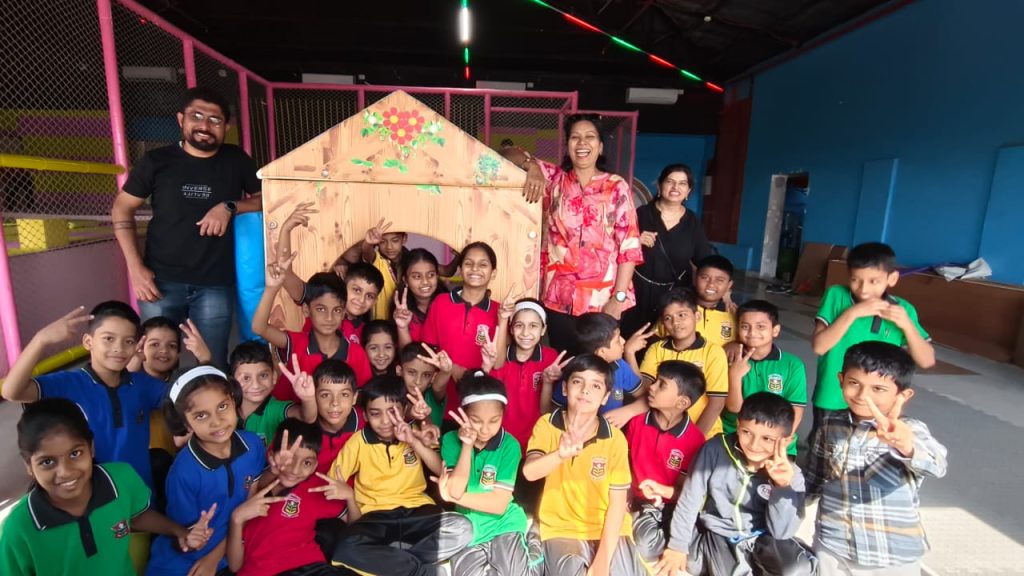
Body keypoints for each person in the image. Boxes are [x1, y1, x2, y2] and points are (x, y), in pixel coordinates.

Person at [111, 86, 262, 369]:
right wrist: (135, 267)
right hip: (159, 281)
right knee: (154, 363)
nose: (205, 126)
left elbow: (266, 198)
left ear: (226, 127)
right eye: (197, 116)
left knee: (212, 362)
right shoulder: (156, 161)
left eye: (215, 120)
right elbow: (122, 208)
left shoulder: (235, 160)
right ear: (181, 119)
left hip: (215, 282)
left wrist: (230, 206)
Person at [0, 398, 212, 576]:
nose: (65, 472)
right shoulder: (18, 530)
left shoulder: (121, 480)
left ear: (91, 448)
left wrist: (179, 531)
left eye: (75, 453)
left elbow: (135, 515)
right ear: (28, 466)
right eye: (47, 462)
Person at [807, 342, 947, 576]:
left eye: (878, 389)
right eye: (854, 383)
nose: (863, 396)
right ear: (841, 380)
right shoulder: (830, 425)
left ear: (903, 395)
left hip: (891, 555)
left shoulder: (910, 430)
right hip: (834, 546)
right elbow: (815, 479)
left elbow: (937, 464)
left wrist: (905, 445)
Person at [2, 302, 166, 490]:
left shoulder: (144, 385)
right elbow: (12, 392)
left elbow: (184, 398)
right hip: (91, 497)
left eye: (128, 341)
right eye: (109, 339)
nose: (118, 348)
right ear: (88, 342)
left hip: (141, 493)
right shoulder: (67, 383)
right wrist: (41, 340)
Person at [514, 113, 644, 351]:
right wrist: (531, 165)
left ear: (600, 146)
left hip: (603, 300)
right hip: (559, 299)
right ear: (568, 145)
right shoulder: (554, 180)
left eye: (590, 137)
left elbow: (629, 247)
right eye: (575, 137)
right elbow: (508, 153)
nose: (582, 142)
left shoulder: (616, 187)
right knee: (563, 362)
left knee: (597, 365)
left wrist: (618, 298)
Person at [654, 392, 816, 576]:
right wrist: (677, 546)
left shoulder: (791, 475)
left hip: (764, 537)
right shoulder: (715, 450)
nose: (754, 445)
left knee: (797, 569)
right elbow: (690, 498)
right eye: (747, 432)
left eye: (767, 439)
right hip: (721, 533)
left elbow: (781, 533)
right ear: (738, 426)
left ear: (786, 441)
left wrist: (782, 487)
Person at [328, 375, 473, 575]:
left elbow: (441, 470)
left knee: (462, 528)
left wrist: (413, 441)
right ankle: (418, 569)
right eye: (375, 414)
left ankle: (394, 560)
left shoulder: (415, 432)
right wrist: (347, 496)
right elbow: (333, 482)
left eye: (392, 412)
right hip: (375, 516)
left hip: (418, 511)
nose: (385, 421)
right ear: (366, 416)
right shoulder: (357, 442)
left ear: (404, 410)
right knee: (346, 548)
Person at [523, 354, 648, 576]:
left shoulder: (614, 438)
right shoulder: (547, 425)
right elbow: (530, 473)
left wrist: (602, 562)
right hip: (562, 527)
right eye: (577, 381)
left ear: (605, 397)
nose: (585, 390)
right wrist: (560, 455)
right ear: (564, 388)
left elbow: (617, 503)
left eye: (595, 385)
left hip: (609, 527)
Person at [147, 367, 267, 576]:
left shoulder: (253, 445)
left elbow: (248, 507)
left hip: (231, 551)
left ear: (233, 400)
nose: (217, 421)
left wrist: (215, 555)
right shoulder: (183, 474)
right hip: (185, 563)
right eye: (201, 415)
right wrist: (190, 539)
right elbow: (183, 539)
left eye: (222, 406)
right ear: (186, 423)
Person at [810, 242, 934, 444]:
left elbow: (927, 360)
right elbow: (819, 346)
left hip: (878, 403)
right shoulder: (836, 295)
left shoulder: (903, 310)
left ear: (892, 278)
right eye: (855, 280)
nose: (864, 289)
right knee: (825, 448)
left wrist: (907, 325)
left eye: (873, 281)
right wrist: (852, 313)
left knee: (871, 450)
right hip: (832, 395)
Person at [227, 419, 360, 576]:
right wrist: (236, 519)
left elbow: (356, 528)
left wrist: (350, 498)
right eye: (289, 459)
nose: (295, 470)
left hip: (312, 568)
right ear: (272, 455)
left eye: (306, 463)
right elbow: (235, 566)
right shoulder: (247, 492)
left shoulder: (316, 488)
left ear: (315, 465)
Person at [437, 375, 540, 576]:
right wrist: (467, 446)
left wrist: (451, 497)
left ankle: (534, 539)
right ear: (464, 414)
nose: (485, 429)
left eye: (494, 420)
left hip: (504, 523)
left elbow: (498, 505)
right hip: (470, 528)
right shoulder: (450, 440)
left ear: (502, 415)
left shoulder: (510, 445)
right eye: (476, 421)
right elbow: (456, 488)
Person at [624, 360, 707, 564]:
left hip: (676, 505)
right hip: (642, 502)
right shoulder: (637, 422)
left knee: (694, 559)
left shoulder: (694, 439)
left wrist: (662, 490)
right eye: (655, 381)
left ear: (682, 402)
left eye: (661, 384)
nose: (651, 387)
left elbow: (687, 493)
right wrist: (627, 492)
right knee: (645, 548)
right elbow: (624, 462)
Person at [253, 264, 372, 402]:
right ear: (306, 310)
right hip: (293, 415)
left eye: (337, 310)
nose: (329, 318)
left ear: (343, 313)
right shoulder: (297, 342)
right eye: (321, 309)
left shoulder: (356, 353)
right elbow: (259, 328)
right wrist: (271, 289)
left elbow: (363, 398)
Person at [622, 163, 714, 338]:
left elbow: (705, 262)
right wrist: (635, 241)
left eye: (682, 183)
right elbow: (615, 248)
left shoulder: (692, 222)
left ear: (688, 191)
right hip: (637, 292)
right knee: (631, 337)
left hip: (675, 295)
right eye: (670, 181)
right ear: (659, 186)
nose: (675, 187)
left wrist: (724, 292)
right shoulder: (641, 214)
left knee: (667, 341)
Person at [633, 289, 729, 438]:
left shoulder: (713, 352)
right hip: (661, 429)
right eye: (668, 318)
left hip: (703, 433)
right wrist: (629, 353)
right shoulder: (657, 349)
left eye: (682, 315)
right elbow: (644, 389)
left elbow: (716, 403)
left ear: (697, 316)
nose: (675, 322)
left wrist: (692, 440)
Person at [421, 241, 501, 417]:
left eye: (483, 265)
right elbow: (428, 348)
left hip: (481, 401)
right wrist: (453, 368)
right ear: (460, 268)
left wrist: (504, 318)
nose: (475, 269)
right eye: (468, 263)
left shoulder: (499, 311)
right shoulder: (441, 302)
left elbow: (499, 362)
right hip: (442, 396)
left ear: (493, 272)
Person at [723, 300, 807, 456]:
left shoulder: (792, 364)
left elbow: (796, 410)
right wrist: (734, 375)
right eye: (745, 326)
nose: (752, 332)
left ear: (775, 330)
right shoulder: (730, 359)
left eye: (760, 327)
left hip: (777, 442)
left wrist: (779, 444)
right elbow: (734, 409)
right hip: (735, 437)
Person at [482, 297, 564, 450]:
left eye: (533, 326)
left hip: (536, 441)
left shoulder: (550, 357)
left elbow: (545, 411)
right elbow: (486, 403)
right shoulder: (498, 358)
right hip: (502, 442)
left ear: (543, 329)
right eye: (519, 325)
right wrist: (486, 367)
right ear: (511, 329)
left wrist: (547, 382)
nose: (526, 333)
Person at [549, 312, 643, 421]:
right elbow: (554, 410)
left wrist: (627, 412)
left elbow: (643, 395)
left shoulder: (620, 366)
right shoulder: (574, 373)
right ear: (602, 352)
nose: (623, 341)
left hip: (611, 430)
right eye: (617, 340)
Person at [230, 340, 317, 443]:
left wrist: (308, 399)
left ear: (274, 377)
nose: (256, 385)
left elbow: (307, 417)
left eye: (263, 375)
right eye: (246, 378)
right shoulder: (226, 407)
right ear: (233, 381)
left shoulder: (276, 409)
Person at [310, 360, 363, 473]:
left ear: (354, 398)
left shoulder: (367, 425)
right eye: (325, 395)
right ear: (313, 396)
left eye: (344, 395)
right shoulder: (301, 428)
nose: (335, 402)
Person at [394, 248, 448, 347]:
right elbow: (406, 354)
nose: (425, 281)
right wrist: (403, 327)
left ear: (437, 276)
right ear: (405, 280)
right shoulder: (402, 312)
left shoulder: (450, 304)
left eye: (431, 275)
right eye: (417, 277)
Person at [396, 342, 453, 430]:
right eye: (411, 372)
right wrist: (412, 411)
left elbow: (439, 387)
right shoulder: (393, 395)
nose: (418, 381)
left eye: (426, 375)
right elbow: (407, 409)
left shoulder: (432, 396)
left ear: (433, 377)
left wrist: (446, 372)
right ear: (399, 370)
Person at [360, 218, 407, 321]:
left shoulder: (411, 260)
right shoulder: (377, 259)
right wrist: (368, 243)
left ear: (404, 239)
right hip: (378, 322)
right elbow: (366, 251)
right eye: (382, 242)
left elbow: (442, 270)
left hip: (403, 320)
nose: (389, 247)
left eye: (395, 240)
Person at [693, 255, 738, 349]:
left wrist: (736, 343)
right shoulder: (679, 309)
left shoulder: (735, 315)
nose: (711, 284)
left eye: (719, 280)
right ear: (695, 278)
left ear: (729, 285)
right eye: (705, 278)